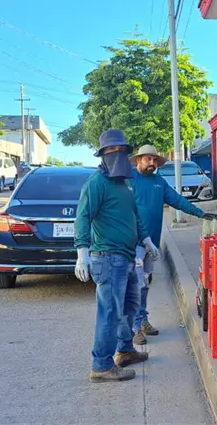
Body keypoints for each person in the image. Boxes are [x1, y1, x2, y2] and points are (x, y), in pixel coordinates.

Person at [73, 129, 159, 383]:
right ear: (103, 154)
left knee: (130, 305)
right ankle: (101, 365)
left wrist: (146, 240)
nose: (117, 153)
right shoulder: (96, 183)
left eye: (121, 149)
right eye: (112, 150)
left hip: (128, 257)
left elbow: (134, 216)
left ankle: (125, 350)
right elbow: (83, 217)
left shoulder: (125, 183)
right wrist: (82, 253)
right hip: (107, 258)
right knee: (109, 313)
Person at [128, 145, 217, 345]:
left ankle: (142, 319)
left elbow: (177, 200)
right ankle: (134, 328)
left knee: (145, 283)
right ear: (138, 160)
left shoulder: (158, 182)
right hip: (135, 243)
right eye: (147, 159)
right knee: (137, 284)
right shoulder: (130, 180)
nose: (152, 163)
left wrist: (200, 213)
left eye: (154, 160)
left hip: (152, 243)